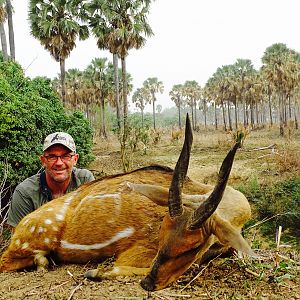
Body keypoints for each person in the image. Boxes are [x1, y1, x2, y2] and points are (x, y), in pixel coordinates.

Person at [7, 132, 95, 228]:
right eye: (52, 157)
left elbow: (92, 226)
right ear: (43, 160)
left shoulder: (85, 180)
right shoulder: (25, 192)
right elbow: (18, 238)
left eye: (66, 156)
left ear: (75, 159)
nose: (59, 163)